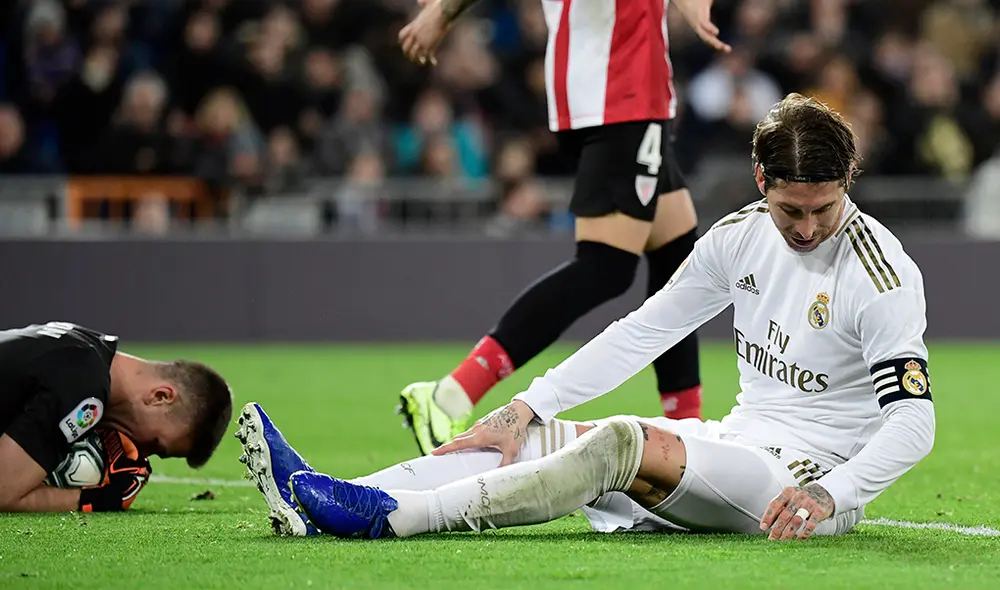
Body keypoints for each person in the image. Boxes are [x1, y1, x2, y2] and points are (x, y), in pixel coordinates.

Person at [240, 94, 935, 541]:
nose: (810, 227)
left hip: (803, 482)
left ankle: (390, 519)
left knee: (618, 442)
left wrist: (830, 492)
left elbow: (914, 421)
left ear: (849, 184)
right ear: (762, 182)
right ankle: (328, 494)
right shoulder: (738, 237)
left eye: (826, 207)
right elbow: (645, 330)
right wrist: (526, 406)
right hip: (736, 440)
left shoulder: (881, 272)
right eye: (793, 210)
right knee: (522, 441)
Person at [393, 0, 735, 455]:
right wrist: (442, 13)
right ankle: (449, 395)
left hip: (621, 91)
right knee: (605, 267)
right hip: (619, 95)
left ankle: (687, 432)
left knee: (676, 263)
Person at [0, 321, 233, 513]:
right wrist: (102, 499)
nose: (139, 455)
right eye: (155, 446)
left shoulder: (91, 348)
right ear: (161, 396)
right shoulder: (86, 389)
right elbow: (4, 492)